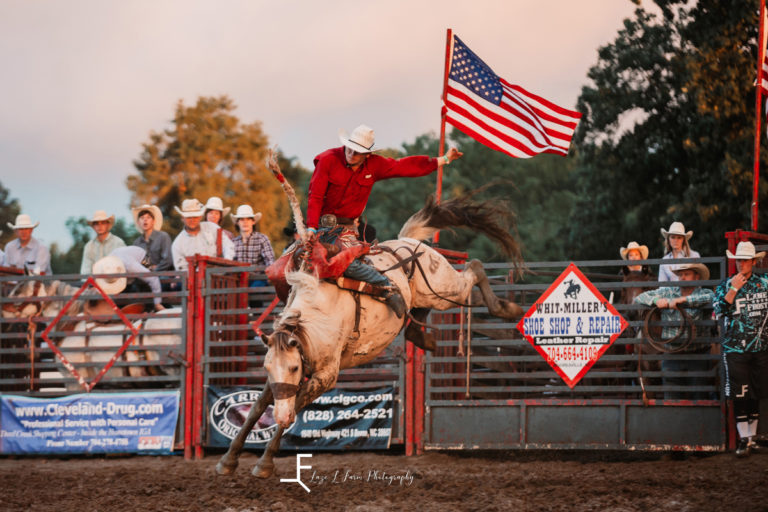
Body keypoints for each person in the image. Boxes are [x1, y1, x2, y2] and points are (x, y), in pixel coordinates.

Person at [306, 124, 463, 317]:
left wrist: (444, 159)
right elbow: (315, 196)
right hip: (323, 226)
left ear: (367, 155)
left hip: (347, 229)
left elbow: (405, 166)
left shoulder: (375, 165)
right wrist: (311, 227)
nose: (352, 154)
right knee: (292, 262)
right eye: (350, 148)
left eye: (358, 151)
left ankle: (386, 286)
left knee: (347, 262)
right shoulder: (328, 160)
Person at [713, 241, 768, 457]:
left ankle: (751, 438)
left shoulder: (764, 283)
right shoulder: (725, 285)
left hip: (760, 346)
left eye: (745, 260)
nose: (741, 264)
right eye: (739, 260)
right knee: (740, 393)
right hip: (735, 348)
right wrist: (734, 289)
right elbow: (718, 309)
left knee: (755, 392)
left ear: (753, 262)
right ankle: (744, 439)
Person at [634, 262, 714, 400]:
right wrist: (656, 299)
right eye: (680, 275)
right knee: (671, 396)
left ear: (696, 277)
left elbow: (711, 298)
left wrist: (682, 300)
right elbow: (639, 297)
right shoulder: (668, 291)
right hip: (671, 355)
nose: (682, 277)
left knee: (699, 396)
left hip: (697, 355)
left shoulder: (705, 293)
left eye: (687, 274)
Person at [92, 246, 165, 312]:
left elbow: (153, 278)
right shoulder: (106, 266)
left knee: (143, 286)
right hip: (124, 257)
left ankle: (150, 309)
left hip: (141, 257)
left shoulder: (131, 266)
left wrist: (157, 303)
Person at [171, 199, 234, 271]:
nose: (192, 220)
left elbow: (228, 245)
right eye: (188, 217)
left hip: (217, 275)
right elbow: (182, 269)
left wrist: (226, 262)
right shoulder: (177, 244)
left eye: (195, 216)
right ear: (182, 218)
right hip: (193, 279)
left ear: (200, 217)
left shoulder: (213, 228)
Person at [131, 204, 173, 271]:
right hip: (143, 276)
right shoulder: (137, 243)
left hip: (163, 275)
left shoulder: (163, 237)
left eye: (148, 217)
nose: (145, 220)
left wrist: (155, 269)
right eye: (142, 218)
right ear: (138, 222)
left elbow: (168, 260)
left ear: (153, 221)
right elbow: (135, 262)